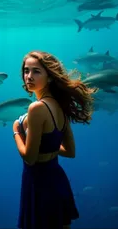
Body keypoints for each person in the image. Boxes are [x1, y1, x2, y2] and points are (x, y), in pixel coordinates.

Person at [13, 50, 97, 229]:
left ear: (50, 76)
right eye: (26, 70)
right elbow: (70, 152)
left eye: (36, 71)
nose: (29, 76)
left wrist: (17, 132)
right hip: (57, 179)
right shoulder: (59, 105)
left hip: (38, 183)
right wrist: (46, 144)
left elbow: (30, 157)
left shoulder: (36, 108)